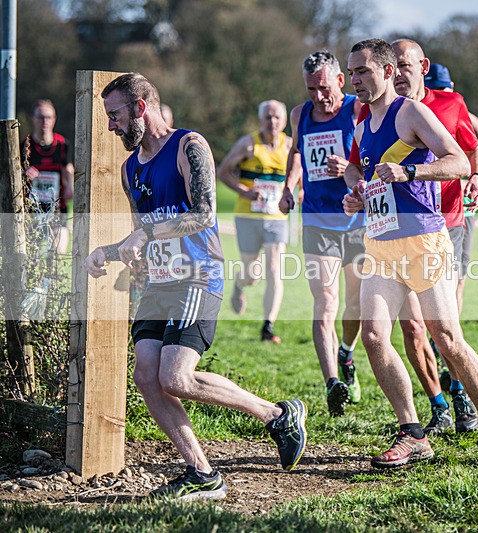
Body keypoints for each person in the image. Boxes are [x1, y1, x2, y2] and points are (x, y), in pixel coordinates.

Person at [84, 73, 307, 501]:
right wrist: (109, 253)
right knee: (147, 376)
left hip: (197, 275)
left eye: (114, 115)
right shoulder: (130, 170)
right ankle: (202, 473)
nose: (110, 126)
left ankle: (276, 414)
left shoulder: (189, 145)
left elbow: (204, 213)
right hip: (159, 284)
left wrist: (145, 235)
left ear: (140, 108)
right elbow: (143, 232)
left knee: (176, 376)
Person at [343, 38, 478, 468]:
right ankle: (412, 432)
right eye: (352, 72)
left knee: (447, 339)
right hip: (381, 243)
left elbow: (459, 162)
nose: (354, 80)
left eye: (362, 71)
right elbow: (366, 175)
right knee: (374, 336)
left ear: (387, 72)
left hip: (424, 241)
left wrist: (410, 170)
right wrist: (358, 194)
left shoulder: (412, 113)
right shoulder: (362, 124)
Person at [279, 50, 366, 417]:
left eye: (324, 88)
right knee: (325, 301)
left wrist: (349, 168)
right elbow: (296, 152)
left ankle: (346, 353)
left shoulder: (357, 109)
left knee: (356, 305)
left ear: (340, 81)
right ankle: (332, 382)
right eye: (311, 89)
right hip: (317, 220)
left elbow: (374, 158)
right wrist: (288, 186)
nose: (318, 96)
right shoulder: (300, 114)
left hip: (357, 220)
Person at [424, 63, 478, 387]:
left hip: (462, 214)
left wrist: (475, 181)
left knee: (456, 283)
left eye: (445, 91)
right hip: (424, 212)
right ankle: (439, 339)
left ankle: (448, 343)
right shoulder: (412, 114)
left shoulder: (467, 117)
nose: (441, 96)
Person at [217, 100, 291, 343]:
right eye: (268, 117)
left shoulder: (290, 146)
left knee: (274, 270)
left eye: (277, 117)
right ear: (261, 120)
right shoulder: (248, 144)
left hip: (276, 217)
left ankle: (268, 327)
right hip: (248, 216)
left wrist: (296, 192)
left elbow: (298, 174)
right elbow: (223, 172)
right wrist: (244, 191)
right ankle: (240, 285)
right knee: (252, 274)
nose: (273, 122)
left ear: (284, 121)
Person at [23, 99, 75, 254]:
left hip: (57, 207)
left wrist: (70, 186)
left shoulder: (62, 144)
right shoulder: (25, 145)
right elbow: (15, 173)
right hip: (32, 208)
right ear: (33, 119)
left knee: (58, 251)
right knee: (32, 253)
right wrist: (24, 174)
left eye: (49, 117)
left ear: (54, 119)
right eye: (41, 117)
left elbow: (68, 168)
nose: (45, 121)